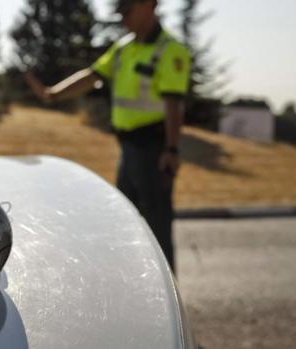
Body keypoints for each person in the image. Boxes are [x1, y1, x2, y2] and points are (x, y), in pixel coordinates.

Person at [25, 0, 191, 271]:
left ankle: (169, 303)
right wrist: (53, 94)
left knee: (157, 229)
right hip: (127, 148)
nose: (123, 18)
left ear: (149, 5)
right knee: (127, 225)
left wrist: (171, 149)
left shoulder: (170, 51)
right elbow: (92, 75)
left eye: (127, 11)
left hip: (153, 150)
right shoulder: (124, 48)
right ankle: (136, 288)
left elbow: (174, 104)